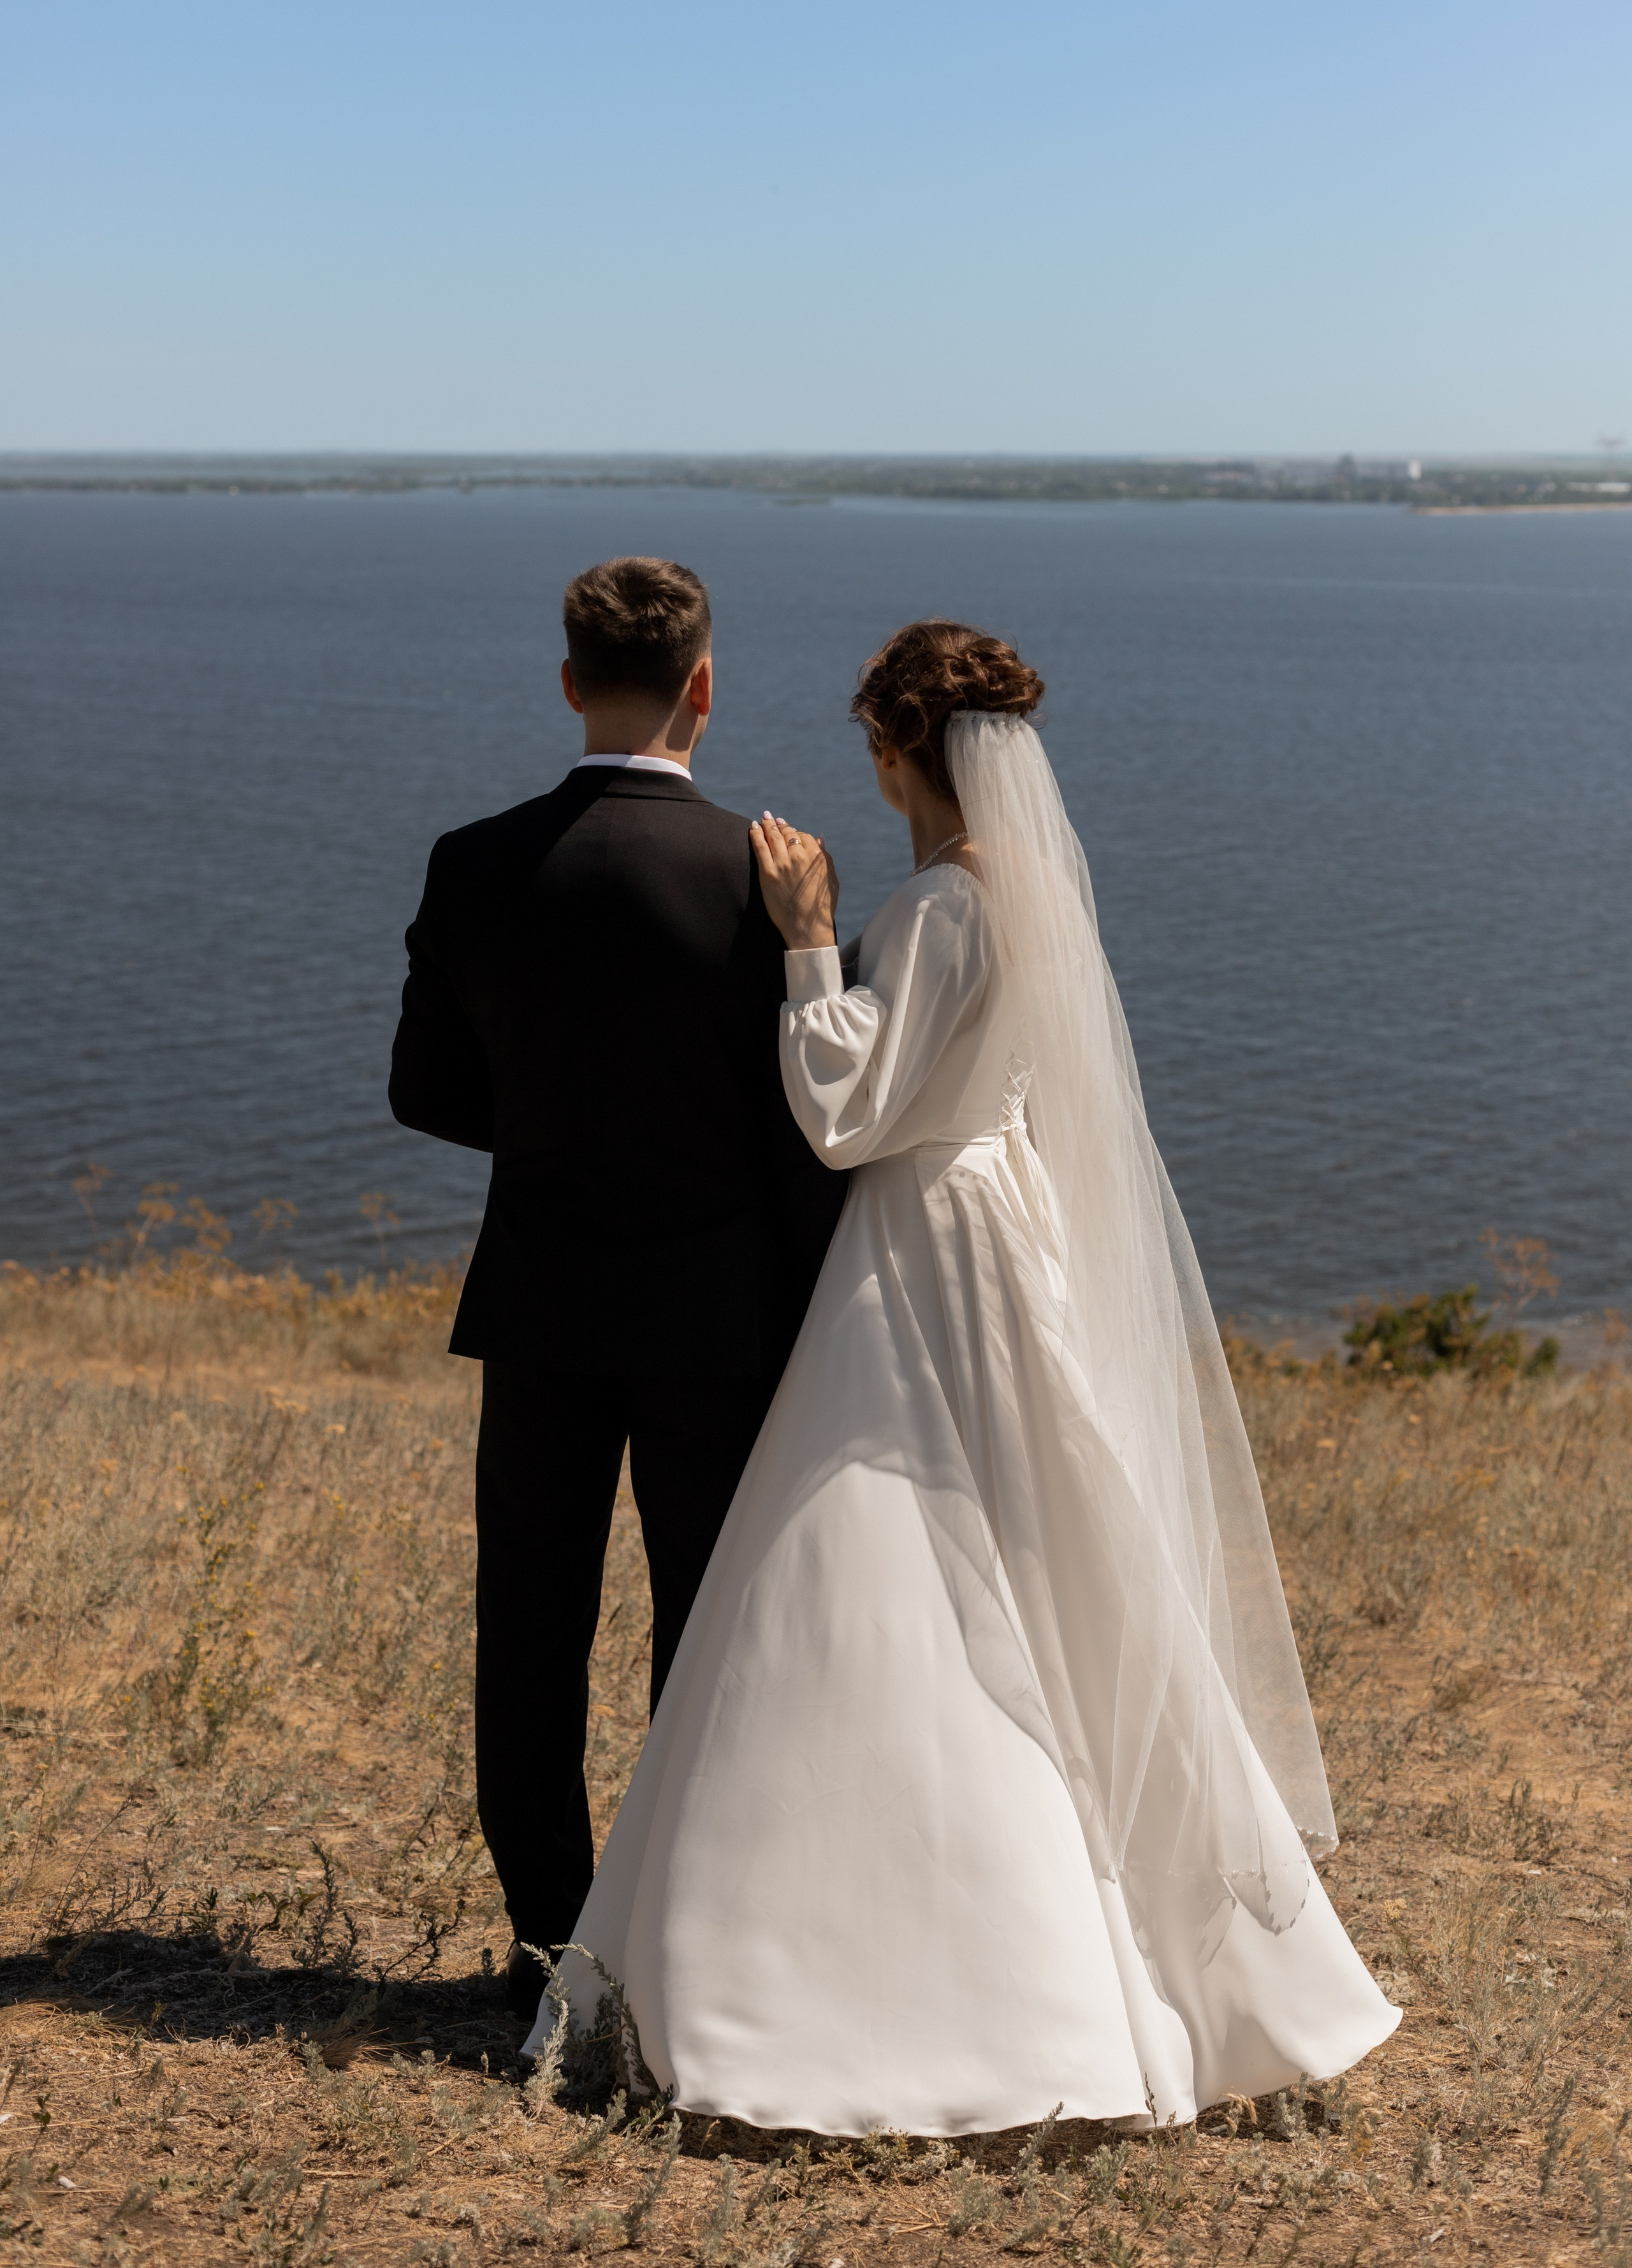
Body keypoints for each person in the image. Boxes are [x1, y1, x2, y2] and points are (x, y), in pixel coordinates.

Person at [527, 618, 1398, 2134]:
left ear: (890, 756)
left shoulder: (936, 904)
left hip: (918, 1244)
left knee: (865, 1558)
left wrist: (808, 938)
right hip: (1009, 1231)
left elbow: (848, 1115)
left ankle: (875, 1984)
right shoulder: (1034, 899)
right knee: (1054, 1559)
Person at [388, 555, 847, 2020]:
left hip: (538, 1300)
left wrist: (553, 1127)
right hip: (719, 1315)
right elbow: (810, 1116)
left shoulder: (474, 860)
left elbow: (423, 1090)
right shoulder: (766, 874)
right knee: (702, 1633)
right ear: (703, 687)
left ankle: (545, 1950)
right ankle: (678, 1948)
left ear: (571, 681)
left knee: (528, 1625)